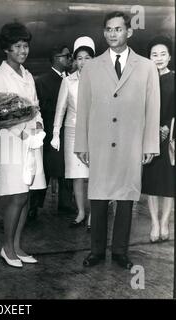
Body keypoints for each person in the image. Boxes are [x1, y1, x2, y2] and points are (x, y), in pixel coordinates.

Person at [74, 11, 160, 269]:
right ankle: (97, 251)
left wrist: (149, 145)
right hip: (100, 142)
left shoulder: (146, 67)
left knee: (126, 199)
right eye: (109, 29)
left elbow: (152, 109)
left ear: (129, 32)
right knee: (98, 197)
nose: (113, 34)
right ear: (104, 33)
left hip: (130, 143)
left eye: (118, 29)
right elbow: (83, 108)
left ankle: (121, 252)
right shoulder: (91, 67)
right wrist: (81, 144)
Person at [0, 22, 46, 268]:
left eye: (26, 46)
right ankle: (7, 247)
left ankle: (18, 245)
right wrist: (24, 133)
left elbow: (35, 106)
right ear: (7, 49)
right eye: (18, 47)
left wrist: (40, 126)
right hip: (12, 141)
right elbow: (0, 114)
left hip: (33, 140)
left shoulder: (28, 74)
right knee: (17, 196)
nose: (23, 51)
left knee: (28, 196)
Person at [51, 36, 95, 230]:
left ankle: (94, 214)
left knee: (95, 175)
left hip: (95, 132)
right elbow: (60, 109)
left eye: (87, 58)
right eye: (79, 58)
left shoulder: (101, 81)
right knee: (77, 175)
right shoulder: (68, 81)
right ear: (75, 61)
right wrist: (55, 133)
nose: (83, 62)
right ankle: (81, 212)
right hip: (72, 132)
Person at [28, 44, 75, 220]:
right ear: (57, 58)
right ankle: (33, 206)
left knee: (66, 169)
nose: (70, 59)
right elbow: (40, 108)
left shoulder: (70, 79)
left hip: (66, 133)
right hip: (49, 134)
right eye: (67, 56)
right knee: (44, 171)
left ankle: (65, 203)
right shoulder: (42, 81)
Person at [142, 36, 175, 243]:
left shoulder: (175, 78)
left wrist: (167, 127)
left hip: (171, 137)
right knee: (152, 183)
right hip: (150, 138)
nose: (159, 58)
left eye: (163, 54)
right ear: (149, 58)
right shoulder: (145, 79)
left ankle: (165, 223)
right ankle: (154, 222)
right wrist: (152, 129)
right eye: (155, 54)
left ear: (170, 56)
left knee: (169, 183)